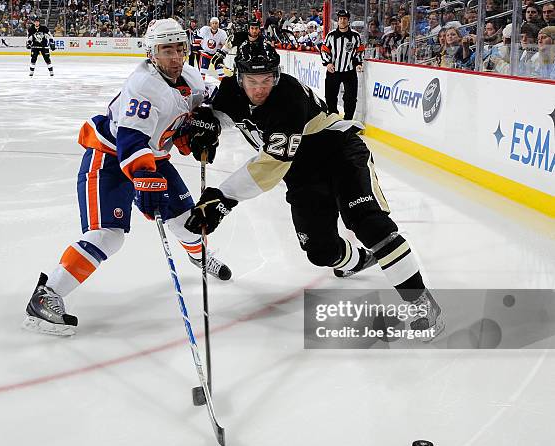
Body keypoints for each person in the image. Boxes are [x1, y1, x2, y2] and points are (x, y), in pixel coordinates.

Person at [184, 42, 444, 339]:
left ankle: (421, 303)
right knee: (321, 251)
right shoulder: (231, 89)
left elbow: (272, 164)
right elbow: (223, 113)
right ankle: (359, 261)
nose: (260, 89)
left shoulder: (288, 98)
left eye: (267, 79)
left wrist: (223, 199)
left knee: (369, 223)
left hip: (338, 153)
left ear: (277, 76)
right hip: (301, 172)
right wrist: (209, 125)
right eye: (252, 81)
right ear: (239, 77)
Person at [24, 19, 231, 336]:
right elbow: (131, 141)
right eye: (166, 51)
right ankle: (46, 295)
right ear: (152, 54)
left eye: (180, 49)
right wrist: (145, 179)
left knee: (188, 221)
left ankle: (200, 258)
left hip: (153, 157)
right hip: (110, 157)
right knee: (108, 235)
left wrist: (207, 126)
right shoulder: (144, 86)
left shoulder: (191, 77)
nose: (175, 57)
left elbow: (212, 108)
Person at [321, 10, 365, 121]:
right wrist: (328, 63)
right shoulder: (331, 36)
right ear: (338, 20)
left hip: (349, 71)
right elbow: (324, 50)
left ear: (348, 20)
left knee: (350, 98)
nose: (342, 21)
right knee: (330, 96)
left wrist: (358, 63)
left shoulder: (355, 36)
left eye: (345, 18)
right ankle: (333, 118)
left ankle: (348, 120)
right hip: (333, 71)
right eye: (340, 18)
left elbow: (360, 50)